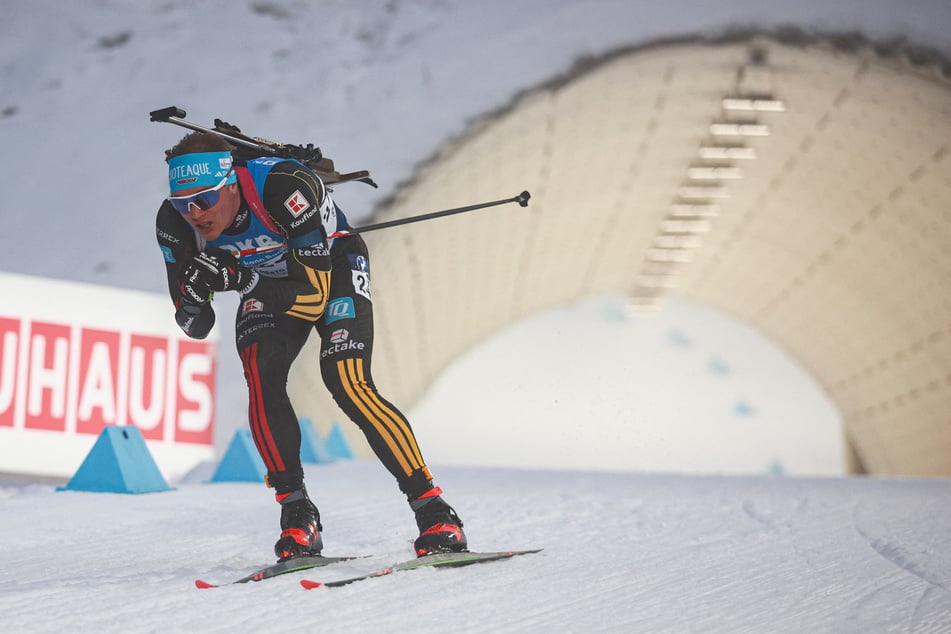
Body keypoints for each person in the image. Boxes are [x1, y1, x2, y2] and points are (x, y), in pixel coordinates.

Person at [155, 131, 466, 560]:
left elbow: (314, 298)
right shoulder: (175, 225)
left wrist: (241, 279)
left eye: (204, 200)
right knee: (262, 378)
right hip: (267, 284)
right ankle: (297, 515)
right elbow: (196, 325)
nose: (194, 214)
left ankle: (433, 510)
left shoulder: (283, 188)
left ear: (230, 185)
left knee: (346, 380)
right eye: (181, 203)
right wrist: (193, 293)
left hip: (330, 268)